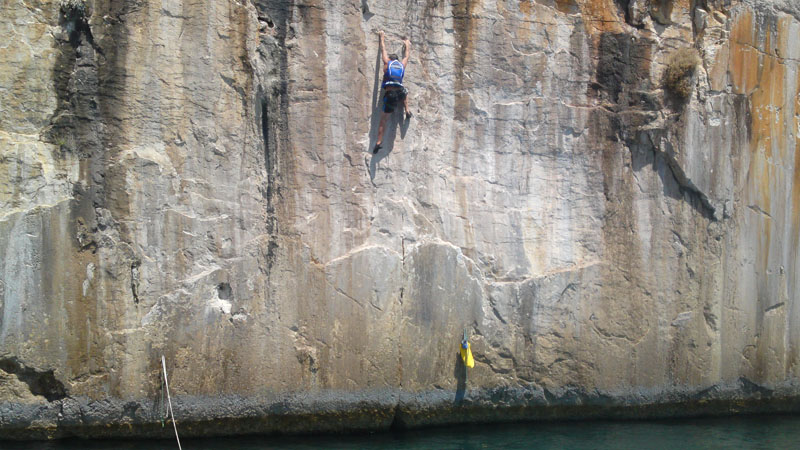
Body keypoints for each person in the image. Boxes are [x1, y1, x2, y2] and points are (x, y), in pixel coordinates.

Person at [373, 31, 412, 154]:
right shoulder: (401, 65)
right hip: (400, 92)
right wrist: (407, 44)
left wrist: (382, 37)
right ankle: (407, 109)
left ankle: (378, 142)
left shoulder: (387, 63)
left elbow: (383, 50)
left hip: (390, 95)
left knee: (383, 119)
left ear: (390, 59)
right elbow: (407, 56)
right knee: (404, 91)